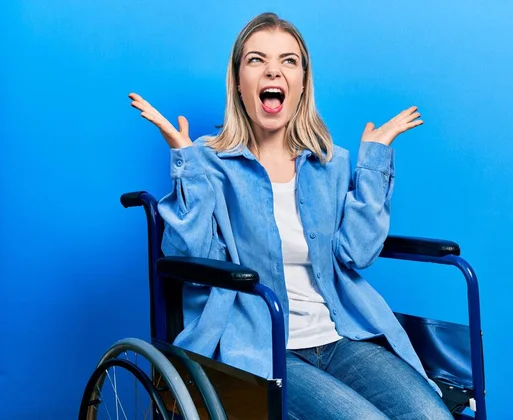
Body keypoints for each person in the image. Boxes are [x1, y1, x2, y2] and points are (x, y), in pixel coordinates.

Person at [129, 12, 453, 420]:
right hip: (264, 347)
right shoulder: (209, 164)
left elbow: (357, 254)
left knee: (434, 417)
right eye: (256, 60)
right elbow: (192, 261)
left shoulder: (331, 163)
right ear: (239, 83)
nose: (273, 71)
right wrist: (186, 165)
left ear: (301, 83)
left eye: (288, 61)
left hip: (340, 337)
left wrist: (372, 166)